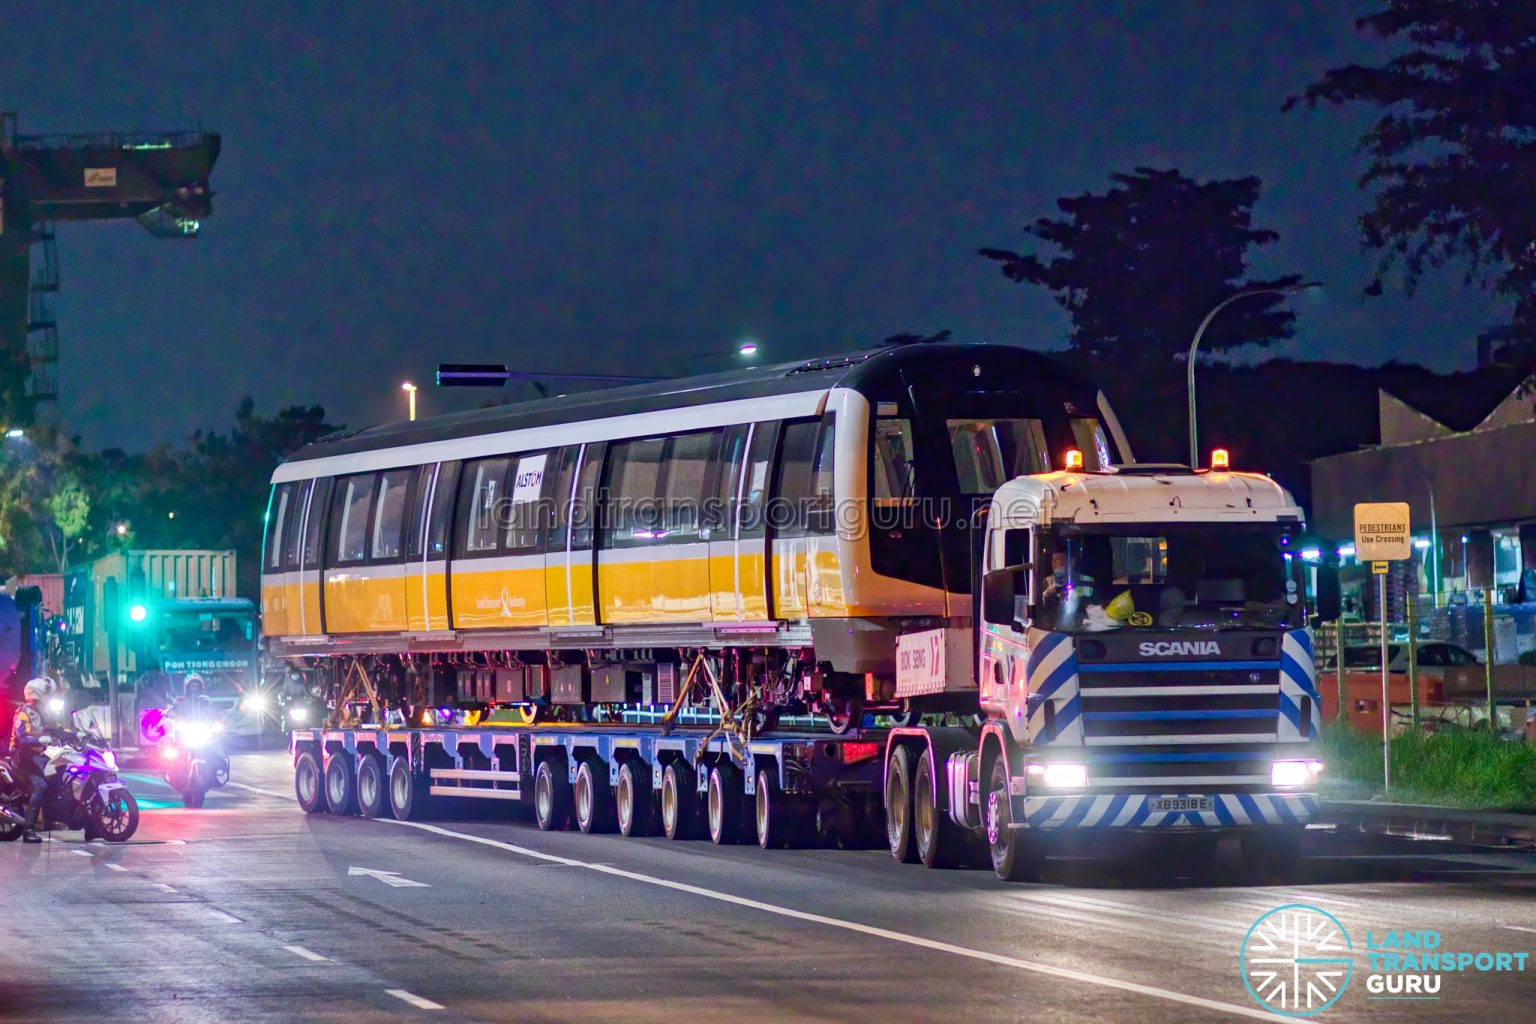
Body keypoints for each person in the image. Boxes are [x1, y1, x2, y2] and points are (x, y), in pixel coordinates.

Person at [10, 678, 57, 843]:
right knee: (40, 785)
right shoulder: (23, 712)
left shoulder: (41, 713)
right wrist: (42, 740)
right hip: (22, 758)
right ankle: (28, 829)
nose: (49, 697)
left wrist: (72, 735)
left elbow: (53, 729)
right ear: (38, 693)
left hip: (35, 757)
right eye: (47, 694)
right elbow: (22, 738)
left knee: (58, 773)